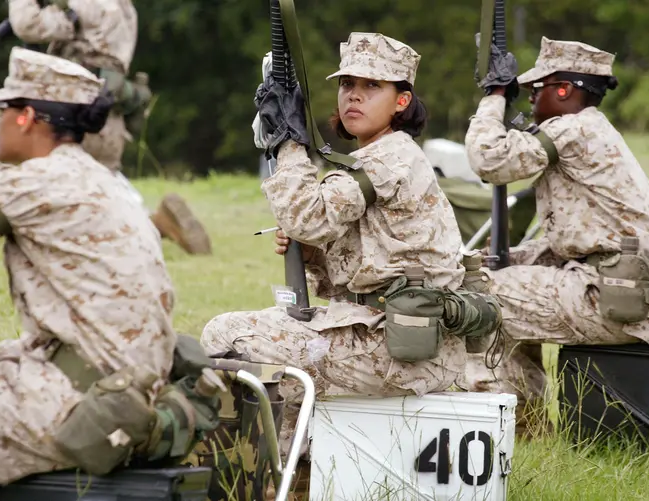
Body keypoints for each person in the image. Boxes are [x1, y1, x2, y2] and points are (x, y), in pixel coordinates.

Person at [201, 31, 501, 484]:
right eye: (346, 85)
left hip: (404, 351)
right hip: (395, 338)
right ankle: (294, 476)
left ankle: (240, 480)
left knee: (226, 334)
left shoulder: (390, 157)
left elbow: (307, 215)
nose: (353, 96)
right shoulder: (371, 159)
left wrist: (289, 143)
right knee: (265, 340)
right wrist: (313, 253)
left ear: (402, 101)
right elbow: (357, 261)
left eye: (371, 86)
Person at [0, 47, 217, 493]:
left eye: (2, 110)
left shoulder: (35, 181)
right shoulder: (97, 178)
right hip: (111, 384)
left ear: (26, 116)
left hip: (76, 397)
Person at [461, 36, 649, 436]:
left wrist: (494, 97)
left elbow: (490, 160)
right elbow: (582, 239)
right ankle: (525, 428)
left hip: (614, 298)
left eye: (536, 89)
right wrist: (514, 257)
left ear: (564, 90)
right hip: (624, 292)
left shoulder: (573, 130)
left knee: (483, 297)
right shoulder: (590, 130)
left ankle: (519, 429)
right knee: (504, 278)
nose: (529, 99)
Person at [0, 0, 212, 255]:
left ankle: (16, 213)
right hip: (108, 125)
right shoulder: (122, 7)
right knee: (100, 204)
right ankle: (153, 223)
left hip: (66, 120)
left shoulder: (82, 4)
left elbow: (29, 25)